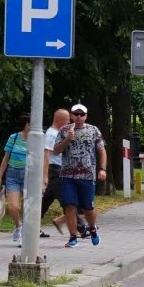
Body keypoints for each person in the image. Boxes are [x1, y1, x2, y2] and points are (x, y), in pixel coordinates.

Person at [53, 104, 107, 248]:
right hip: (67, 175)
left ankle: (93, 228)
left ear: (86, 116)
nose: (78, 117)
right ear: (71, 115)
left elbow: (101, 150)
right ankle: (73, 236)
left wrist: (102, 169)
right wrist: (67, 140)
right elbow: (56, 151)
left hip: (86, 174)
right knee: (69, 206)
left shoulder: (93, 130)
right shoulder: (64, 131)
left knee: (87, 208)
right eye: (75, 114)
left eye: (81, 114)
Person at [0, 113, 32, 245]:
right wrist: (0, 176)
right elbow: (6, 158)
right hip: (13, 174)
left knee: (27, 206)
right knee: (13, 206)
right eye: (29, 124)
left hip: (29, 175)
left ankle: (26, 235)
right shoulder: (14, 137)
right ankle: (18, 226)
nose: (31, 126)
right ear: (25, 125)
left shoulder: (36, 139)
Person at [42, 109, 71, 234]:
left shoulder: (57, 133)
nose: (69, 122)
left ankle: (30, 225)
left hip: (58, 169)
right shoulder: (51, 134)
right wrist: (45, 176)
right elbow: (46, 155)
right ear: (60, 120)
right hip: (55, 170)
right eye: (67, 119)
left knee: (46, 200)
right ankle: (81, 227)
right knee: (67, 200)